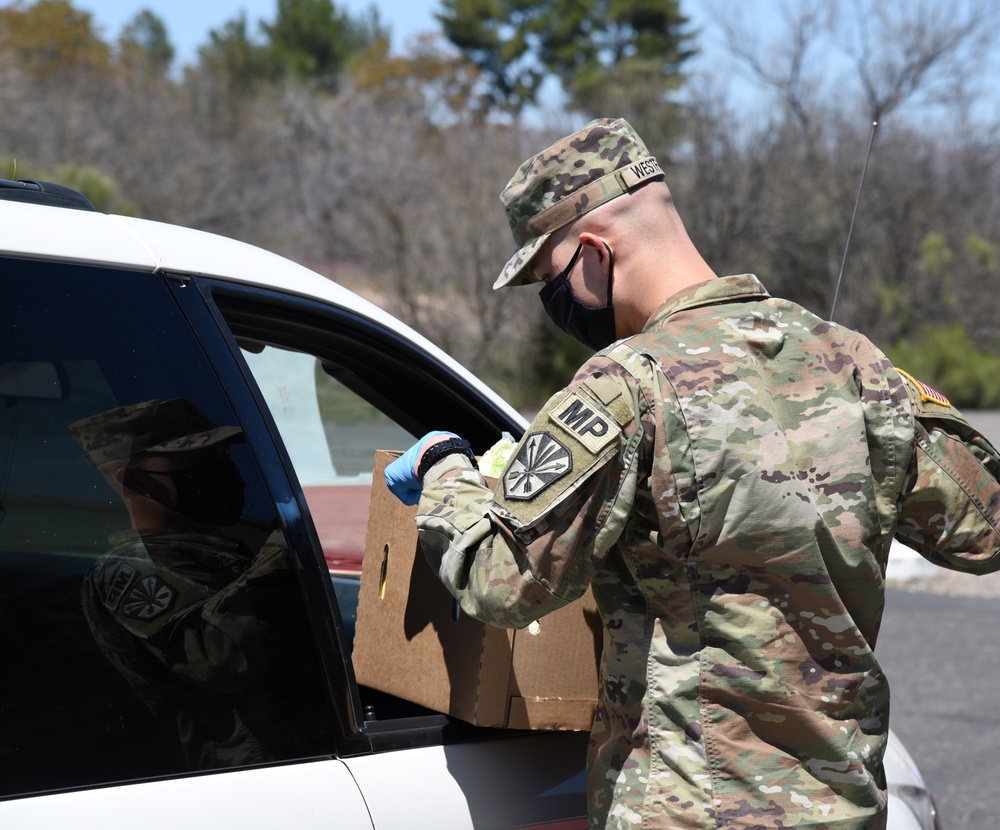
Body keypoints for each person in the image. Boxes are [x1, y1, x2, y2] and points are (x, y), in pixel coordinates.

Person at [384, 117, 1000, 829]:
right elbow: (984, 532)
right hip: (844, 806)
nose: (552, 304)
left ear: (592, 254)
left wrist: (445, 469)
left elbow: (499, 579)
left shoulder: (625, 385)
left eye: (548, 280)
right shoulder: (859, 366)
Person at [71, 398, 329, 770]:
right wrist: (286, 549)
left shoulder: (217, 550)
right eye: (197, 464)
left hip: (302, 753)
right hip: (248, 773)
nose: (223, 473)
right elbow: (220, 656)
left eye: (223, 457)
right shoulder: (128, 571)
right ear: (136, 481)